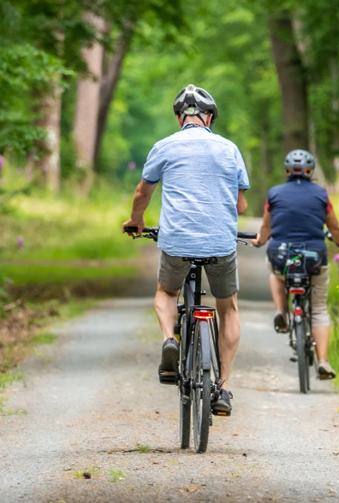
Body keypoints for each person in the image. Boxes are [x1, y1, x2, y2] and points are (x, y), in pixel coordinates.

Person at [122, 84, 250, 414]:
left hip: (177, 240)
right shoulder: (229, 149)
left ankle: (169, 340)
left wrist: (137, 221)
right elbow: (241, 204)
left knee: (166, 292)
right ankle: (223, 388)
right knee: (229, 307)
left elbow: (141, 193)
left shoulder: (164, 146)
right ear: (210, 118)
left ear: (180, 118)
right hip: (221, 242)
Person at [251, 149, 339, 380]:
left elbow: (266, 227)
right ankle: (323, 361)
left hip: (282, 256)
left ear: (287, 170)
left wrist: (261, 241)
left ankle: (281, 310)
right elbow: (333, 226)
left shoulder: (274, 193)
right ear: (310, 171)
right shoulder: (321, 194)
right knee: (320, 309)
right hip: (314, 257)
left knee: (274, 272)